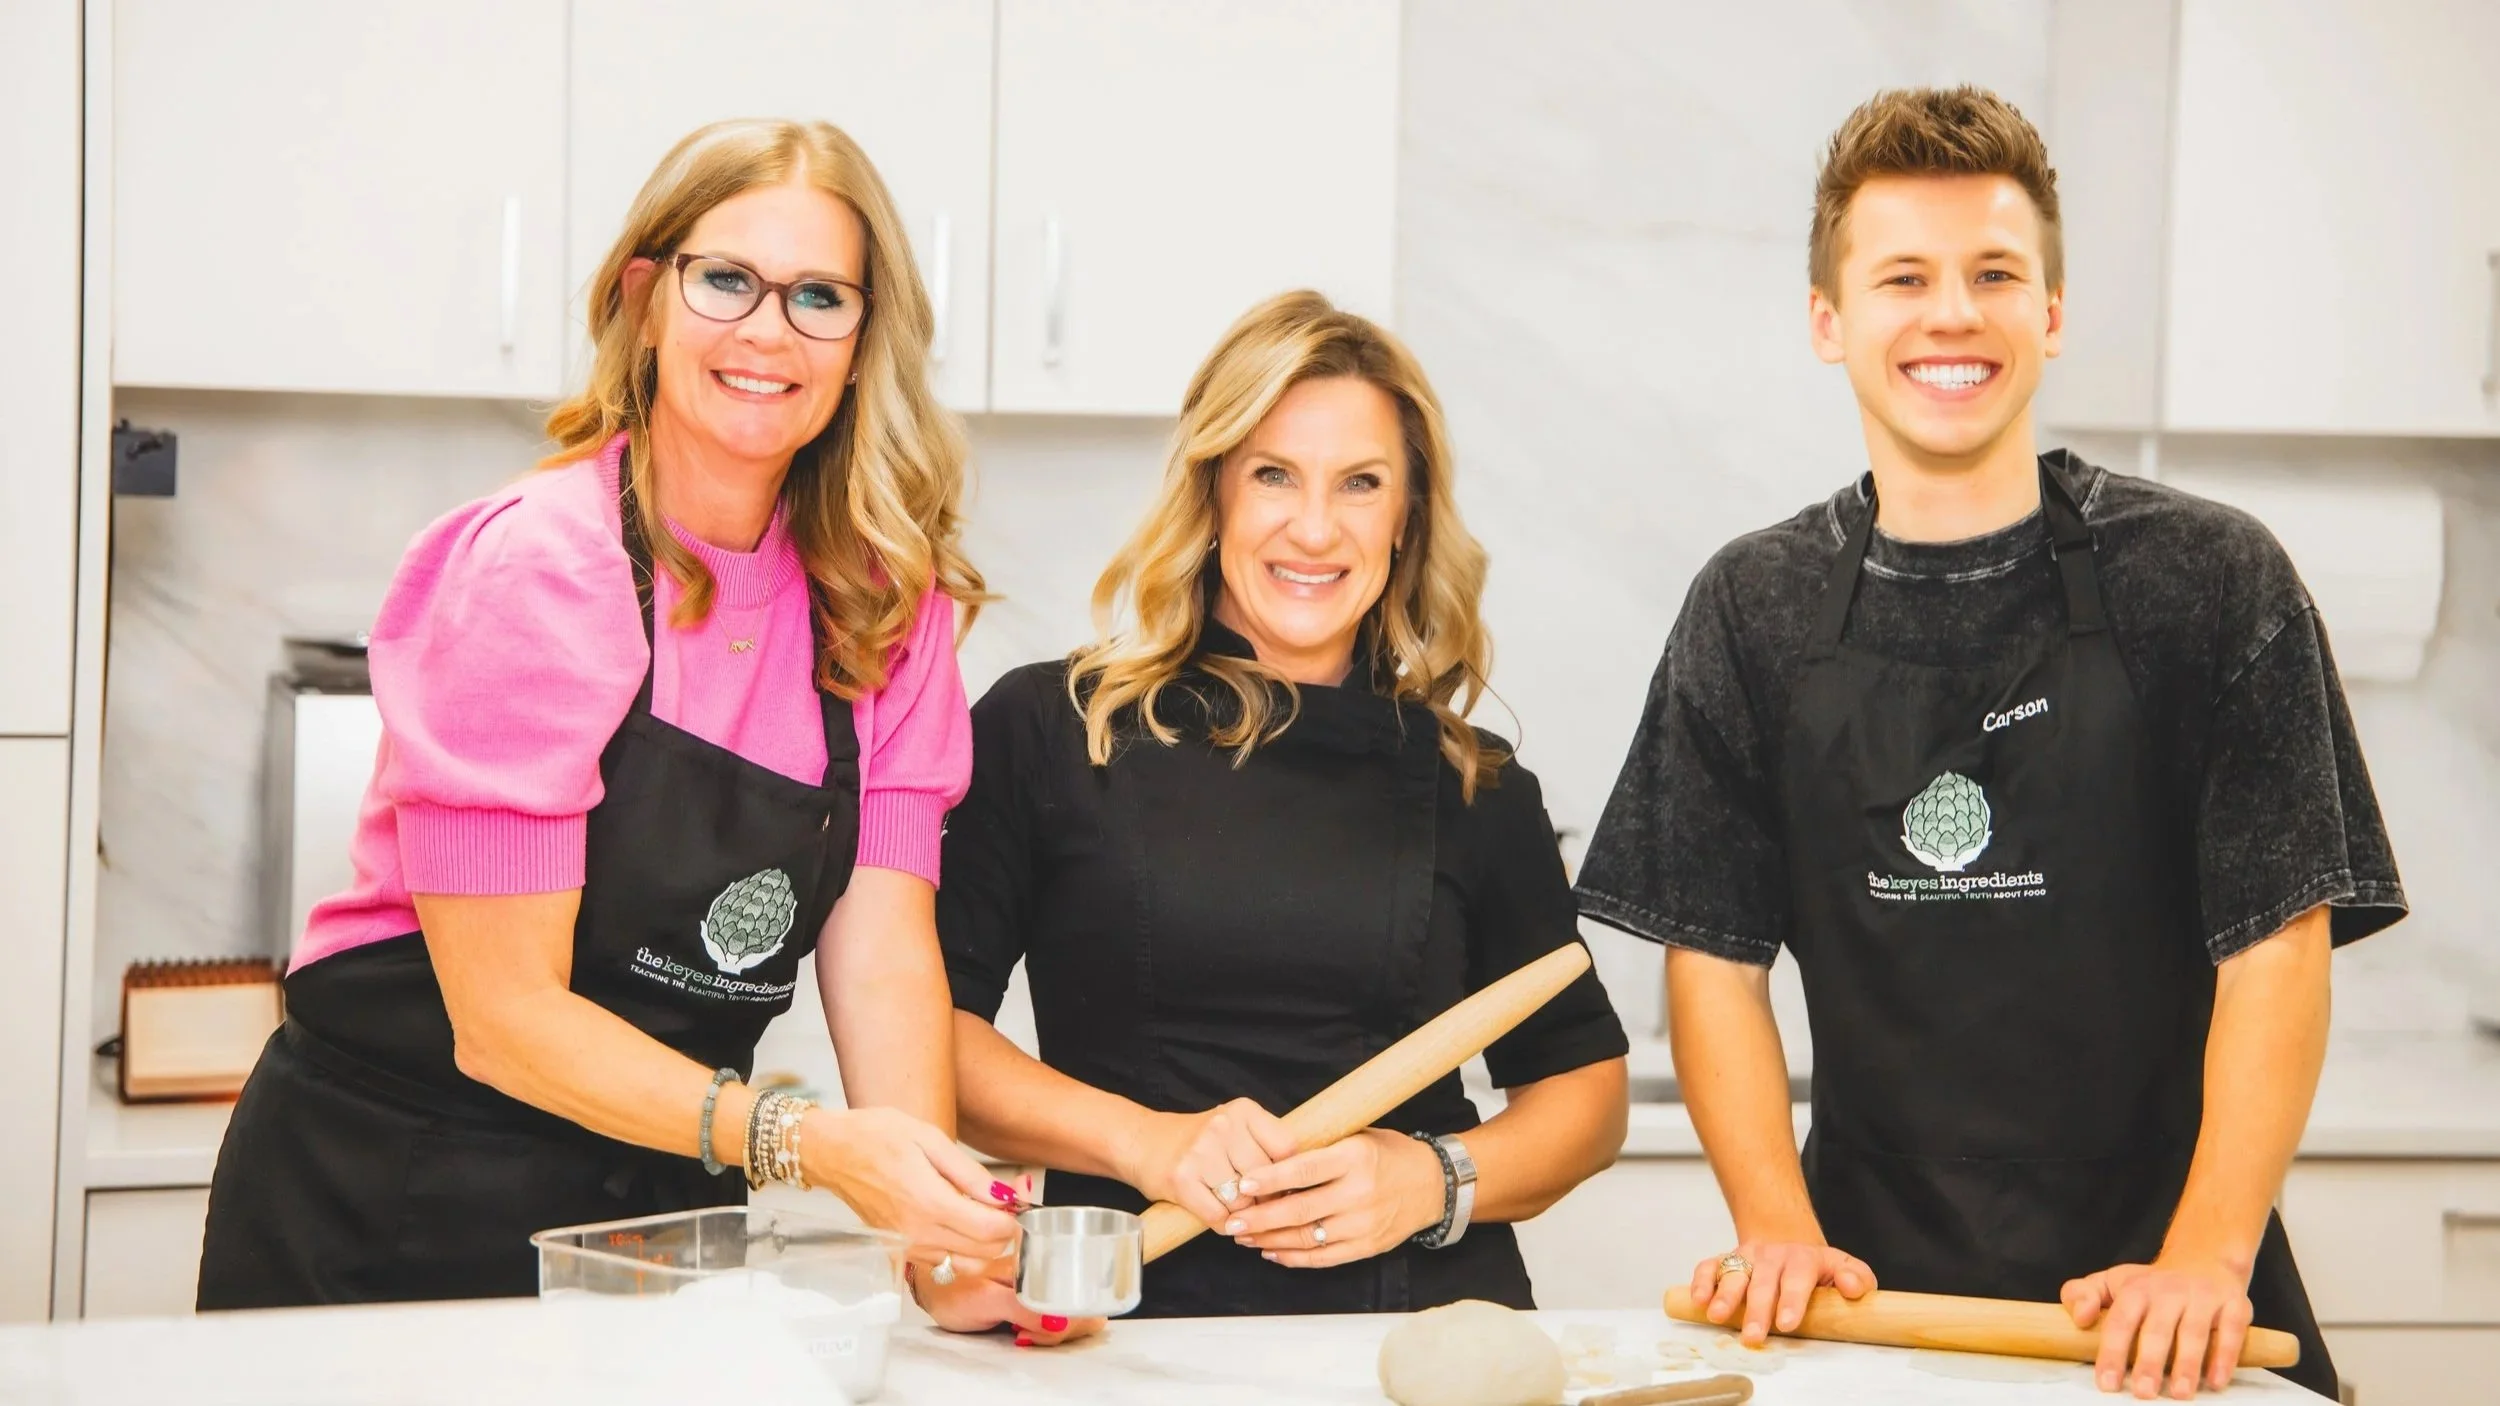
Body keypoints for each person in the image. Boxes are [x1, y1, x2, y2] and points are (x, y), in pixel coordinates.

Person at [1575, 87, 2401, 1402]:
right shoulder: (1754, 604)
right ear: (1829, 323)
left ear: (2053, 312)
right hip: (1867, 1302)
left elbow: (2278, 945)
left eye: (1995, 272)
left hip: (2167, 1309)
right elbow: (1714, 965)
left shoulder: (2210, 576)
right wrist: (1776, 1226)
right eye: (1903, 275)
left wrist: (2204, 1257)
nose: (1952, 311)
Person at [196, 119, 1021, 1308]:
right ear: (646, 298)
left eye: (819, 297)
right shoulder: (541, 568)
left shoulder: (883, 603)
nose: (766, 331)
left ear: (862, 339)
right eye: (725, 279)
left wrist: (941, 1240)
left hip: (659, 1209)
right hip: (397, 1196)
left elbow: (885, 950)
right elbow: (505, 1020)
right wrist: (808, 1142)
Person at [927, 291, 1631, 1326]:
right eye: (1272, 474)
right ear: (1213, 494)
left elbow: (1586, 1098)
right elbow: (927, 1032)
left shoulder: (1472, 781)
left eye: (1359, 483)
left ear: (1406, 515)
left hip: (1418, 1338)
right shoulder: (1052, 726)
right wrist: (1144, 1140)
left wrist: (1429, 1180)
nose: (1313, 526)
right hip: (1124, 1330)